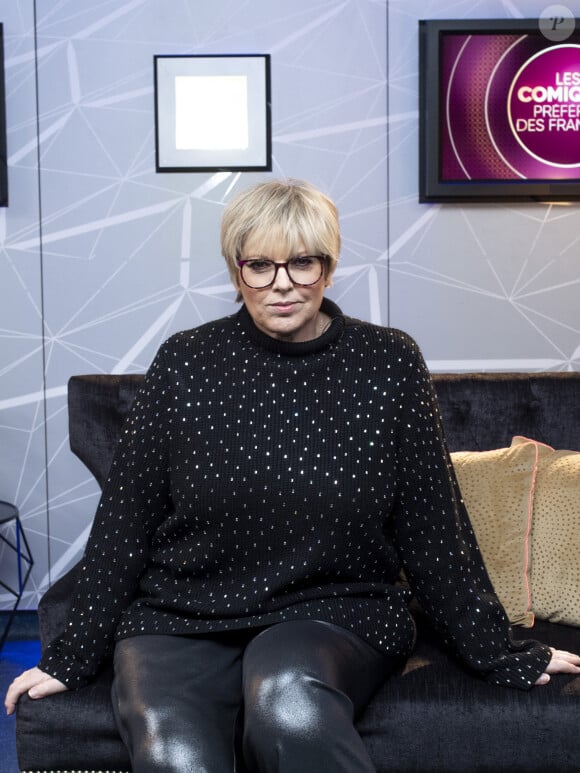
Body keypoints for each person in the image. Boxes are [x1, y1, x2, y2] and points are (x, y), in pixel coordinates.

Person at [5, 179, 580, 772]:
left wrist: (499, 653)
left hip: (334, 608)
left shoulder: (387, 362)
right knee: (176, 752)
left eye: (301, 262)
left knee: (290, 705)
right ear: (236, 272)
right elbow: (125, 521)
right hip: (182, 612)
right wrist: (68, 659)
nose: (282, 283)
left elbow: (434, 527)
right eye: (260, 265)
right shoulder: (185, 362)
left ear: (327, 268)